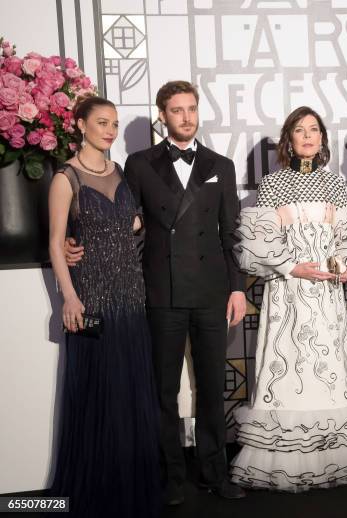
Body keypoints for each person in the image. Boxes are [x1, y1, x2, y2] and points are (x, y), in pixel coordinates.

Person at [64, 81, 247, 504]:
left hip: (211, 292)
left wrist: (237, 289)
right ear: (162, 116)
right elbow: (125, 221)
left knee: (212, 386)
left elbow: (229, 233)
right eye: (176, 110)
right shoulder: (140, 163)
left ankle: (215, 472)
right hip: (161, 292)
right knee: (163, 390)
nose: (186, 118)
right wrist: (78, 242)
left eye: (191, 109)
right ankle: (172, 477)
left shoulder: (221, 164)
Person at [230, 106, 347, 492]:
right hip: (287, 292)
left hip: (327, 295)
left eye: (314, 130)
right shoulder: (271, 184)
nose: (307, 136)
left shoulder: (335, 183)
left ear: (322, 139)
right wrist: (291, 268)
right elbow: (259, 243)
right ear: (289, 139)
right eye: (299, 130)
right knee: (286, 365)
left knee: (327, 367)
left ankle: (334, 460)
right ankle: (282, 463)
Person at [48, 95, 160, 517]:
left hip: (131, 297)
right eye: (101, 122)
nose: (110, 130)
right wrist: (69, 296)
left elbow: (134, 225)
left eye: (114, 123)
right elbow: (56, 244)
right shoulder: (66, 179)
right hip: (91, 299)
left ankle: (128, 489)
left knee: (130, 394)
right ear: (80, 125)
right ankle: (95, 493)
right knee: (98, 394)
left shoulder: (121, 174)